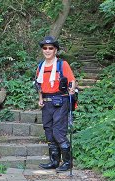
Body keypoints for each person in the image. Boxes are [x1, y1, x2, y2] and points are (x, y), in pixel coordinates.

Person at [36, 36, 76, 172]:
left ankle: (67, 162)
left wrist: (71, 90)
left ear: (55, 50)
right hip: (46, 103)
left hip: (61, 101)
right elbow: (39, 84)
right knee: (48, 132)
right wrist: (40, 98)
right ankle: (54, 161)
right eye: (45, 48)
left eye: (50, 48)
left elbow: (72, 80)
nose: (47, 50)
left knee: (58, 132)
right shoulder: (41, 66)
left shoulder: (62, 64)